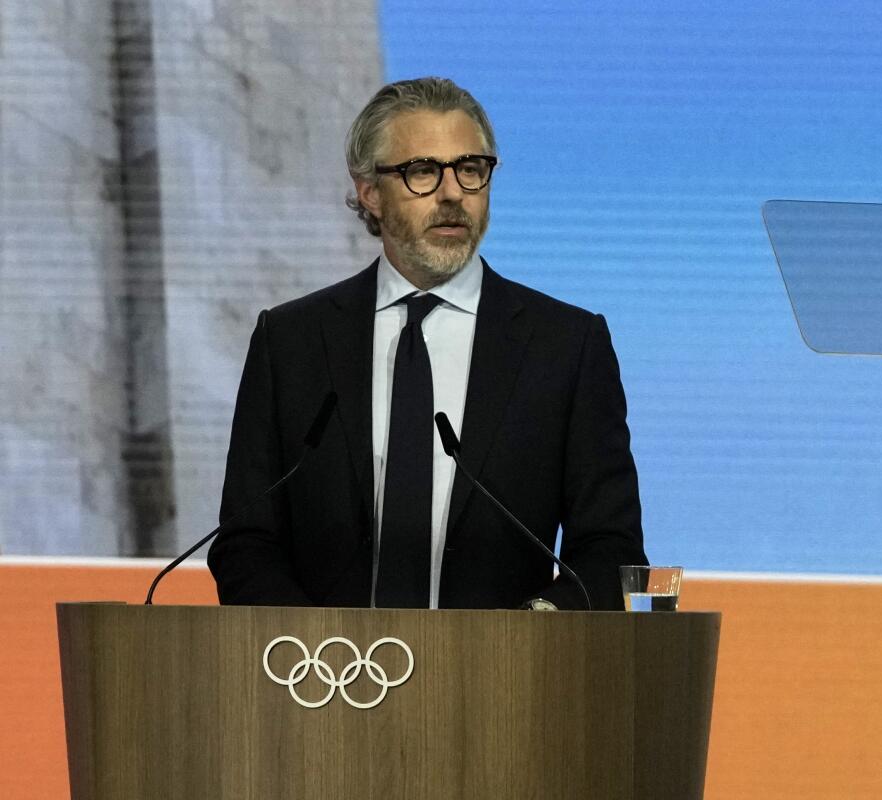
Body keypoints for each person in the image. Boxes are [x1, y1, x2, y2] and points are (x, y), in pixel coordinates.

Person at [207, 77, 646, 610]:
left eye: (470, 170)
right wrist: (314, 648)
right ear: (369, 191)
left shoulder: (566, 347)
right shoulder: (291, 342)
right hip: (322, 680)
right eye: (422, 172)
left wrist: (534, 633)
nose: (452, 194)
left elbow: (609, 549)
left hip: (507, 679)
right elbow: (245, 543)